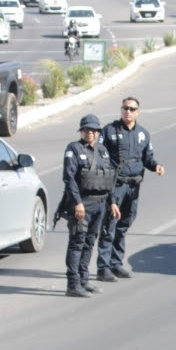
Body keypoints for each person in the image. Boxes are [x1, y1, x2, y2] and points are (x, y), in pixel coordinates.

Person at [96, 96, 165, 281]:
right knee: (109, 224)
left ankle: (116, 263)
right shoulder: (110, 131)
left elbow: (148, 157)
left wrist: (156, 166)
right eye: (125, 108)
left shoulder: (143, 134)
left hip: (133, 186)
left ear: (137, 112)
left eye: (132, 109)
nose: (128, 111)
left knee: (124, 223)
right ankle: (103, 267)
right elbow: (99, 155)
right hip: (115, 185)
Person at [62, 113, 119, 297]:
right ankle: (73, 284)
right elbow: (69, 178)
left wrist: (112, 203)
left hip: (100, 204)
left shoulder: (102, 150)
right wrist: (77, 203)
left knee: (89, 243)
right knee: (77, 243)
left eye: (94, 131)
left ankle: (84, 280)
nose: (91, 134)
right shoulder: (74, 149)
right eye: (87, 130)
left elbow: (108, 179)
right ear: (82, 131)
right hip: (83, 205)